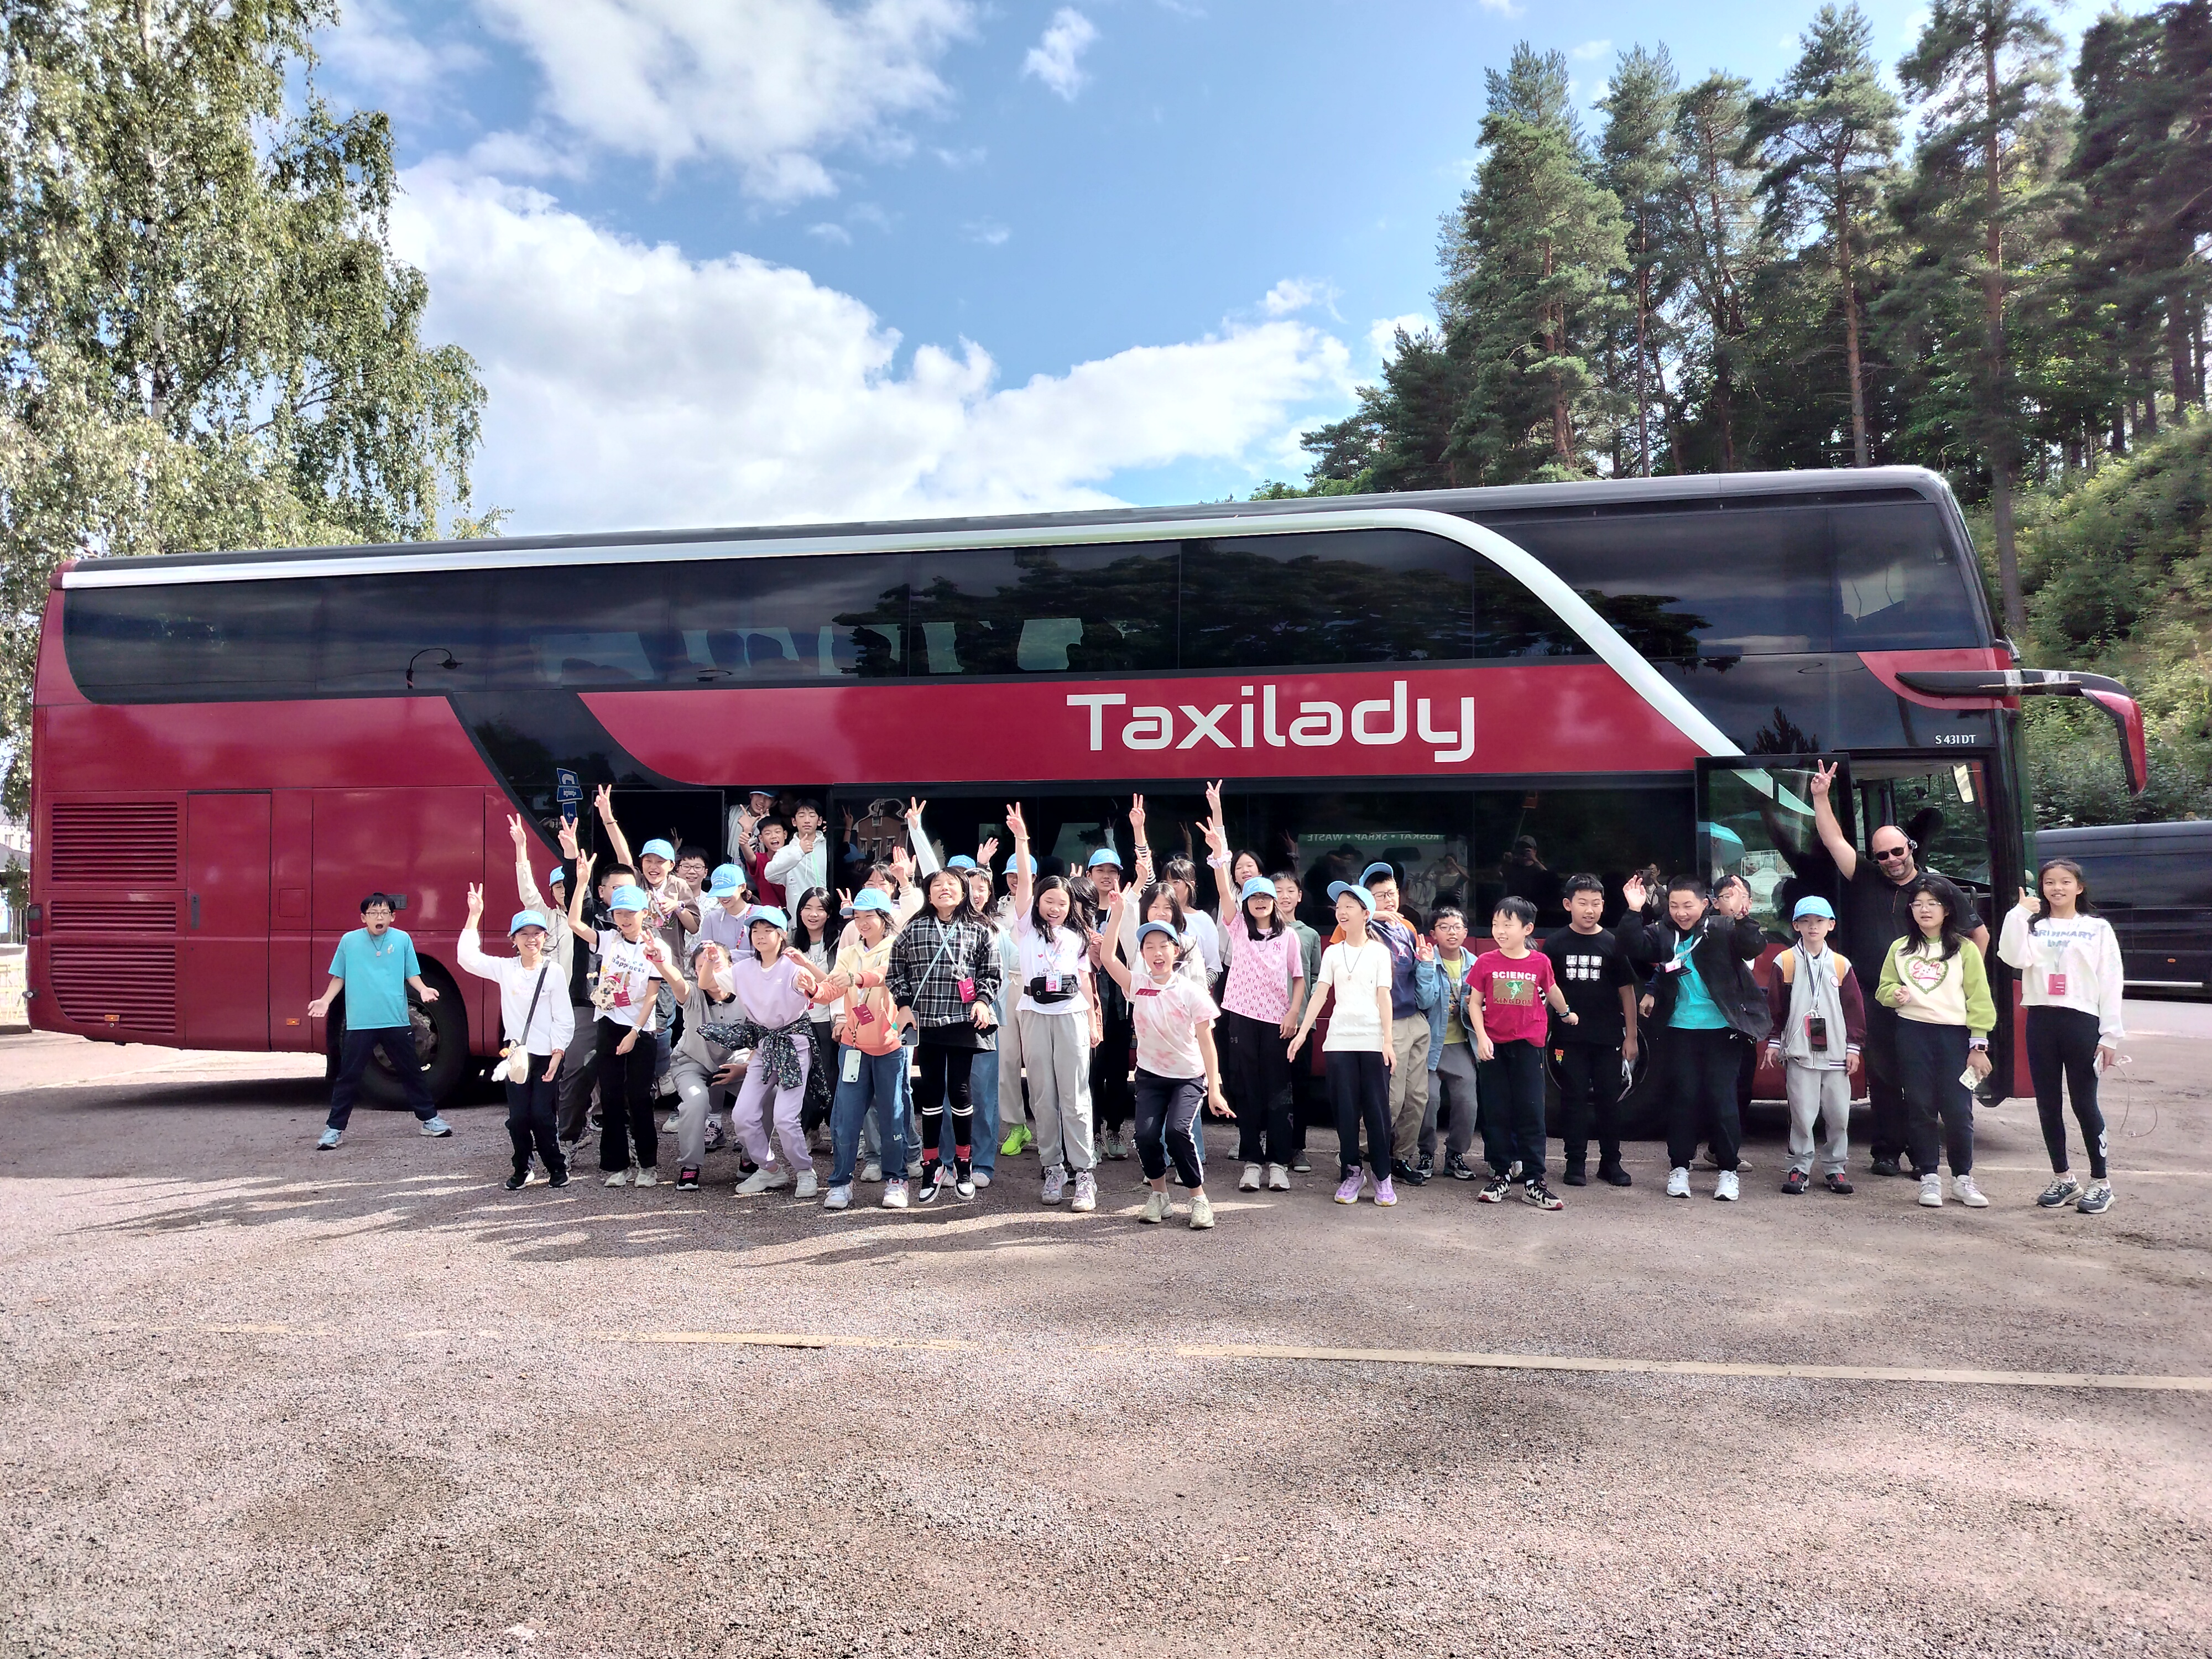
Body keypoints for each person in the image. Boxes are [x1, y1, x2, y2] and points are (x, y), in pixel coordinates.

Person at [1809, 761, 1989, 1178]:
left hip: (1928, 1004)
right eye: (1882, 855)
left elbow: (1978, 935)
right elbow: (1834, 839)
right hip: (1876, 996)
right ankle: (1887, 1151)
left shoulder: (1938, 889)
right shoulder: (1866, 878)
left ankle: (1924, 1158)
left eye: (1897, 851)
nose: (1891, 860)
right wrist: (1820, 797)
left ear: (1911, 848)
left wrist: (1966, 983)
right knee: (1885, 1078)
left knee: (1924, 1083)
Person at [1618, 873, 1771, 1202]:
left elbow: (1753, 945)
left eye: (1688, 905)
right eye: (1674, 905)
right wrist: (1633, 910)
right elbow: (1632, 946)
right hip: (1679, 1030)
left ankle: (1728, 1171)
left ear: (1705, 904)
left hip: (1723, 1030)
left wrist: (1742, 915)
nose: (1681, 913)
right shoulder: (1662, 932)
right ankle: (1679, 1168)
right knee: (1683, 1099)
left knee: (1722, 1099)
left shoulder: (1722, 928)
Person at [1098, 890, 1231, 1228]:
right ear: (1142, 953)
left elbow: (1207, 1043)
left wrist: (1215, 1090)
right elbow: (1109, 957)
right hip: (1150, 1075)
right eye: (1149, 947)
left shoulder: (1191, 992)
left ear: (1176, 950)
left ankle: (1198, 1199)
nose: (1157, 953)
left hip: (1188, 1077)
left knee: (1176, 1132)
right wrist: (1117, 913)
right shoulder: (1137, 984)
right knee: (1145, 1136)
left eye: (1163, 946)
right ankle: (1159, 1196)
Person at [1999, 859, 2126, 1215]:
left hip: (2082, 1021)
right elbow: (2012, 956)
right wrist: (2018, 914)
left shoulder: (2097, 928)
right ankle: (2064, 1178)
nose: (2057, 888)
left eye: (2065, 882)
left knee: (2084, 1103)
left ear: (2079, 888)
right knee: (2048, 1103)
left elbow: (2111, 981)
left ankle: (2101, 1183)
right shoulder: (2033, 925)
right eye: (2050, 882)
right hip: (2041, 1019)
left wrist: (2110, 1035)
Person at [1202, 790, 1305, 1192]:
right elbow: (1223, 884)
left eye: (1266, 896)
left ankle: (1278, 1161)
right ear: (1245, 902)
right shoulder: (1238, 929)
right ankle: (1251, 1160)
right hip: (1242, 1018)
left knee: (1279, 1091)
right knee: (1246, 1089)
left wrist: (1293, 1013)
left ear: (1275, 902)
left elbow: (1299, 979)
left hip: (1278, 1022)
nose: (1260, 902)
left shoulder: (1289, 937)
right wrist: (1218, 833)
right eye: (1254, 896)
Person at [1876, 874, 1997, 1209]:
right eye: (1918, 904)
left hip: (1955, 1037)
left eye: (1933, 904)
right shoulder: (1900, 948)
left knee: (1958, 1110)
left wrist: (1979, 1045)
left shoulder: (1965, 949)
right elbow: (1883, 988)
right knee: (1920, 1106)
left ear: (1947, 910)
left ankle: (1963, 1179)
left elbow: (1979, 998)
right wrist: (1894, 994)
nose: (1925, 910)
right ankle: (1929, 1177)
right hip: (1912, 1033)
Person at [564, 853, 683, 1187]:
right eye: (619, 913)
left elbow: (652, 995)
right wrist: (582, 883)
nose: (625, 919)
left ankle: (648, 1166)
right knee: (612, 1097)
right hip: (609, 1023)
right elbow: (575, 924)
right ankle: (618, 1166)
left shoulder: (656, 947)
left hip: (641, 1029)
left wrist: (634, 1032)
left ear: (645, 913)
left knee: (640, 1097)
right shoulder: (609, 939)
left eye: (631, 912)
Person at [1006, 806, 1104, 1209]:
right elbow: (1024, 881)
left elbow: (1086, 983)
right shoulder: (1027, 928)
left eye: (1062, 902)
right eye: (1049, 900)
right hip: (1033, 1013)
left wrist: (1094, 1022)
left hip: (1071, 1016)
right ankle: (1053, 1169)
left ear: (1070, 905)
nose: (1055, 907)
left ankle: (1084, 1173)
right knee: (1043, 1097)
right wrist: (1022, 839)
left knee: (1075, 1097)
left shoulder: (1079, 937)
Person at [886, 867, 1001, 1203]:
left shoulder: (980, 928)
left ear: (964, 892)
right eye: (937, 884)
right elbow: (896, 970)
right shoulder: (914, 928)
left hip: (964, 1020)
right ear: (928, 892)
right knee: (932, 1094)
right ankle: (932, 1165)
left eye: (952, 884)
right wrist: (903, 1005)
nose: (944, 889)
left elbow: (992, 971)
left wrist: (982, 1000)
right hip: (926, 1021)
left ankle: (964, 1165)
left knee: (961, 1092)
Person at [309, 892, 452, 1148]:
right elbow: (339, 977)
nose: (380, 917)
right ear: (363, 918)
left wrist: (423, 990)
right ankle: (334, 1129)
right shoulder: (349, 941)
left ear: (393, 917)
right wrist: (325, 1001)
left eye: (385, 913)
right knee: (349, 1076)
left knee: (412, 1072)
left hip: (395, 1020)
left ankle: (430, 1120)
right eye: (374, 913)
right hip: (360, 1022)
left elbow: (412, 974)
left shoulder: (402, 939)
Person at [1288, 882, 1397, 1207]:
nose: (1342, 912)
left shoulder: (1379, 952)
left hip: (1373, 1040)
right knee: (1345, 1112)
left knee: (1377, 1112)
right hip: (1339, 1040)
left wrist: (1388, 1040)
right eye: (1339, 907)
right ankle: (1352, 1172)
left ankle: (1383, 1175)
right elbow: (1320, 994)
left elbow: (1384, 997)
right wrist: (1302, 1033)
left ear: (1366, 913)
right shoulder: (1333, 952)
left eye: (1349, 906)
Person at [457, 887, 574, 1190]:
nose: (531, 939)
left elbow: (564, 1018)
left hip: (548, 1056)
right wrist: (474, 916)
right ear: (513, 939)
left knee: (542, 1115)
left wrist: (558, 1055)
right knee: (519, 1117)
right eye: (524, 934)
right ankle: (523, 1168)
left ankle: (556, 1166)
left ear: (545, 938)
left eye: (537, 933)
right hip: (517, 1056)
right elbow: (467, 959)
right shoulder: (505, 969)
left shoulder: (554, 971)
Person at [1467, 896, 1577, 1210]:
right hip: (1494, 1047)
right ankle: (1500, 1174)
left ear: (1527, 929)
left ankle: (1534, 1181)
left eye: (1508, 924)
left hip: (1529, 1046)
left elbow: (1552, 990)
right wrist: (1482, 1038)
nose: (1499, 931)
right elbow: (1474, 1003)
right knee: (1496, 1111)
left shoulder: (1539, 962)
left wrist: (1566, 1013)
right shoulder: (1485, 962)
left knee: (1531, 1112)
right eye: (1495, 924)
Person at [1341, 862, 1441, 1187]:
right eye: (1380, 895)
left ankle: (1401, 1157)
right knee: (1390, 1098)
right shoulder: (1360, 928)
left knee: (1418, 1098)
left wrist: (1425, 963)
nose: (1390, 900)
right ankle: (1360, 1154)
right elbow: (1345, 940)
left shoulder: (1408, 928)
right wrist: (1372, 916)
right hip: (1387, 1024)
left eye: (1392, 893)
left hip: (1414, 1019)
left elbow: (1417, 975)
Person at [815, 889, 912, 1211]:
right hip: (853, 1044)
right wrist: (812, 989)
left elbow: (884, 976)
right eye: (857, 917)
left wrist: (855, 978)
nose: (862, 923)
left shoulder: (897, 946)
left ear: (884, 918)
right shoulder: (849, 951)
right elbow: (831, 989)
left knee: (893, 1115)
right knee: (846, 1116)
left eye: (869, 916)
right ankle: (840, 1182)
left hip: (889, 1044)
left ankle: (896, 1180)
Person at [1762, 896, 1866, 1196]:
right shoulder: (1786, 961)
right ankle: (1799, 1166)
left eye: (1819, 921)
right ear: (1796, 926)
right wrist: (1773, 1042)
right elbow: (1776, 1006)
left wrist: (1854, 1046)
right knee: (1802, 1113)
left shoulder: (1840, 964)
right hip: (1800, 1051)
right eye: (1806, 922)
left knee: (1839, 1114)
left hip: (1836, 1052)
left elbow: (1854, 1008)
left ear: (1831, 925)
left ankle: (1835, 1166)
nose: (1813, 927)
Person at [1541, 873, 1640, 1188]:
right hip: (1568, 1039)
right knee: (1573, 1100)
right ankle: (1575, 1163)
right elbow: (1544, 989)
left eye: (1596, 904)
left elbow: (1627, 992)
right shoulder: (1555, 944)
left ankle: (1611, 1163)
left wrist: (1631, 1036)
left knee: (1609, 1101)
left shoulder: (1613, 943)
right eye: (1582, 903)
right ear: (1567, 904)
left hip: (1607, 1038)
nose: (1589, 910)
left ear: (1603, 906)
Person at [725, 905, 824, 1197]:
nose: (760, 935)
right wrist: (709, 962)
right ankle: (769, 1169)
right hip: (764, 1046)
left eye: (768, 930)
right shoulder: (742, 968)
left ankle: (805, 1171)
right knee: (742, 1115)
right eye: (755, 930)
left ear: (781, 935)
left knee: (785, 1117)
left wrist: (810, 981)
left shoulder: (793, 966)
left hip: (794, 1045)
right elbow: (709, 985)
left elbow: (821, 990)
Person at [669, 941, 745, 1191]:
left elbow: (760, 1036)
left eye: (717, 963)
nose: (711, 970)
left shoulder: (747, 994)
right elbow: (675, 981)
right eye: (703, 966)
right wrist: (660, 961)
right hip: (692, 1061)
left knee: (768, 1093)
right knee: (696, 1100)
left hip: (735, 1062)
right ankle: (690, 1165)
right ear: (696, 972)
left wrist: (745, 1068)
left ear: (731, 966)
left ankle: (752, 1157)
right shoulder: (692, 993)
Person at [1422, 904, 1482, 1181]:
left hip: (1460, 1045)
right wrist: (1425, 967)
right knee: (1428, 1099)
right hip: (1428, 1043)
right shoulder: (1425, 960)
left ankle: (1456, 1155)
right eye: (1444, 927)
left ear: (1466, 932)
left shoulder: (1476, 964)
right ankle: (1425, 1153)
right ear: (1433, 933)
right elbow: (1422, 1001)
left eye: (1457, 927)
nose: (1452, 933)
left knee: (1467, 1102)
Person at [1084, 844, 1135, 1161]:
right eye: (1100, 870)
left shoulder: (1126, 909)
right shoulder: (1080, 909)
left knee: (1118, 1072)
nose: (1106, 876)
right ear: (1090, 874)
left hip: (1120, 1004)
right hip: (1090, 1004)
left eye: (1112, 871)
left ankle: (1115, 1130)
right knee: (1092, 1071)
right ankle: (1093, 1134)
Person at [1276, 869, 1322, 1175]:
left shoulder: (1310, 935)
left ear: (1300, 896)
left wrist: (1308, 1012)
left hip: (1303, 1023)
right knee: (1271, 1086)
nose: (1284, 896)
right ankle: (1272, 1144)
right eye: (1278, 890)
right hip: (1268, 1020)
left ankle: (1297, 1147)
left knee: (1300, 1086)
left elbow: (1317, 977)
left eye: (1290, 890)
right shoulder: (1261, 933)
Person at [789, 887, 839, 1141]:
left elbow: (835, 983)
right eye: (807, 908)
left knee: (830, 1075)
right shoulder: (792, 939)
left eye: (820, 909)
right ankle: (809, 1129)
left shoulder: (838, 940)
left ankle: (834, 1127)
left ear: (829, 914)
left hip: (828, 1018)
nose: (813, 914)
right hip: (799, 1019)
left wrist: (806, 964)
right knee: (803, 1075)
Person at [765, 799, 832, 914]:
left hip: (826, 914)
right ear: (794, 822)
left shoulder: (829, 847)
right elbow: (770, 875)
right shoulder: (786, 852)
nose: (807, 820)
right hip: (798, 917)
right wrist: (799, 852)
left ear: (820, 821)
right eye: (801, 816)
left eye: (812, 815)